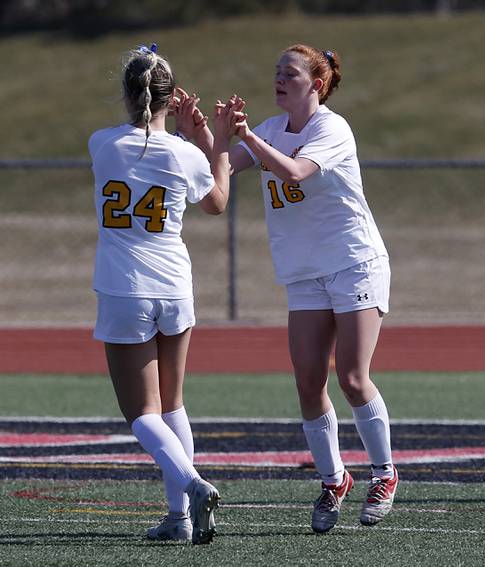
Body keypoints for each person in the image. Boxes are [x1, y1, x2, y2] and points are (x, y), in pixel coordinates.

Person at [219, 44, 397, 533]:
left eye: (289, 73)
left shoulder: (331, 128)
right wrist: (204, 133)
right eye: (275, 71)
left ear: (316, 84)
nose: (278, 79)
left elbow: (294, 171)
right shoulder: (273, 130)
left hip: (353, 264)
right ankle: (334, 479)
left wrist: (247, 137)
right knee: (307, 381)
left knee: (353, 378)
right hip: (304, 272)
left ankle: (384, 473)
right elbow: (225, 167)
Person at [89, 44, 235, 543]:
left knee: (142, 414)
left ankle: (192, 486)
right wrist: (205, 139)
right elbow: (216, 201)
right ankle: (179, 518)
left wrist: (179, 132)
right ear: (171, 100)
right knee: (173, 404)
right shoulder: (185, 153)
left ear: (129, 95)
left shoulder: (102, 144)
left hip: (125, 287)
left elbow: (138, 147)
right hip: (174, 285)